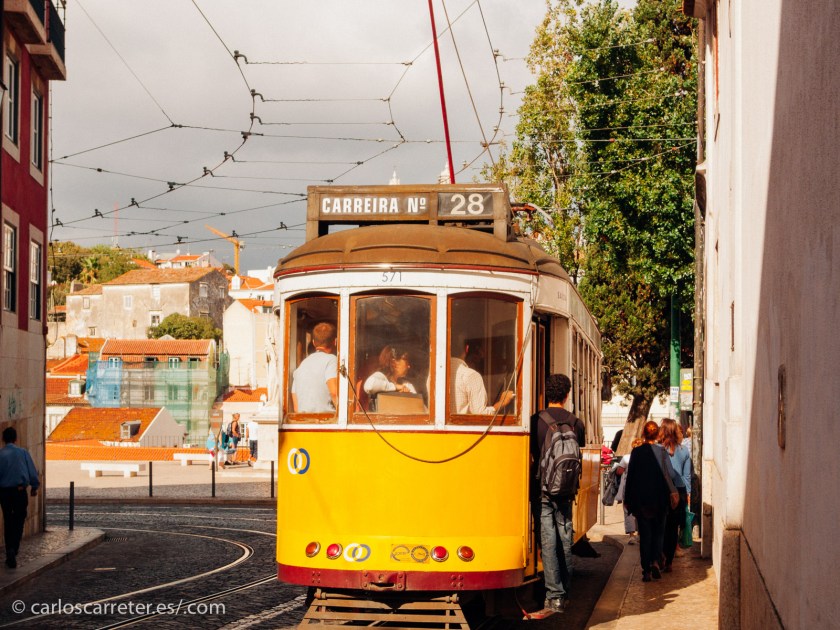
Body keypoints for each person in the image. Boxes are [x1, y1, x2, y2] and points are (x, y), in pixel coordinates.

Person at [530, 374, 585, 613]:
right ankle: (566, 591)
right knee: (565, 539)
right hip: (566, 490)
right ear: (567, 395)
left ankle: (554, 596)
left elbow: (533, 456)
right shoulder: (576, 422)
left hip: (543, 489)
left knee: (548, 540)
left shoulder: (536, 421)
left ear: (546, 394)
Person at [623, 420, 679, 582]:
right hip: (660, 499)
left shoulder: (636, 452)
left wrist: (628, 499)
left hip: (641, 501)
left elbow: (631, 477)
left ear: (644, 433)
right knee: (659, 532)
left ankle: (646, 570)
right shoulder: (662, 453)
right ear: (656, 435)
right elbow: (671, 475)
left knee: (645, 534)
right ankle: (655, 560)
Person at [0, 427, 40, 568]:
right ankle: (13, 548)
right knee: (19, 520)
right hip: (19, 491)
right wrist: (34, 487)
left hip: (4, 492)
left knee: (8, 520)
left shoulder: (0, 454)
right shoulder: (22, 452)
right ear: (16, 438)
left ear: (3, 439)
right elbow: (31, 471)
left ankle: (10, 548)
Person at [658, 418, 691, 572]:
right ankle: (669, 561)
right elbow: (686, 476)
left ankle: (661, 555)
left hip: (662, 492)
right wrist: (687, 494)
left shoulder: (658, 450)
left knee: (661, 526)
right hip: (679, 491)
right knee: (673, 527)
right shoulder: (684, 451)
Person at [450, 336, 513, 414]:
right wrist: (503, 401)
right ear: (467, 348)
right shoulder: (471, 376)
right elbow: (481, 414)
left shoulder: (433, 375)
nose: (482, 355)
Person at [291, 322, 338, 413]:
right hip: (326, 422)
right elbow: (334, 393)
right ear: (335, 342)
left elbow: (296, 407)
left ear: (313, 343)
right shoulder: (331, 360)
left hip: (303, 422)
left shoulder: (301, 366)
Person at [615, 437, 644, 545]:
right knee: (641, 511)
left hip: (629, 487)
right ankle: (640, 534)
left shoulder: (627, 458)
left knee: (628, 512)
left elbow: (619, 471)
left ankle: (632, 535)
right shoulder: (645, 457)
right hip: (642, 488)